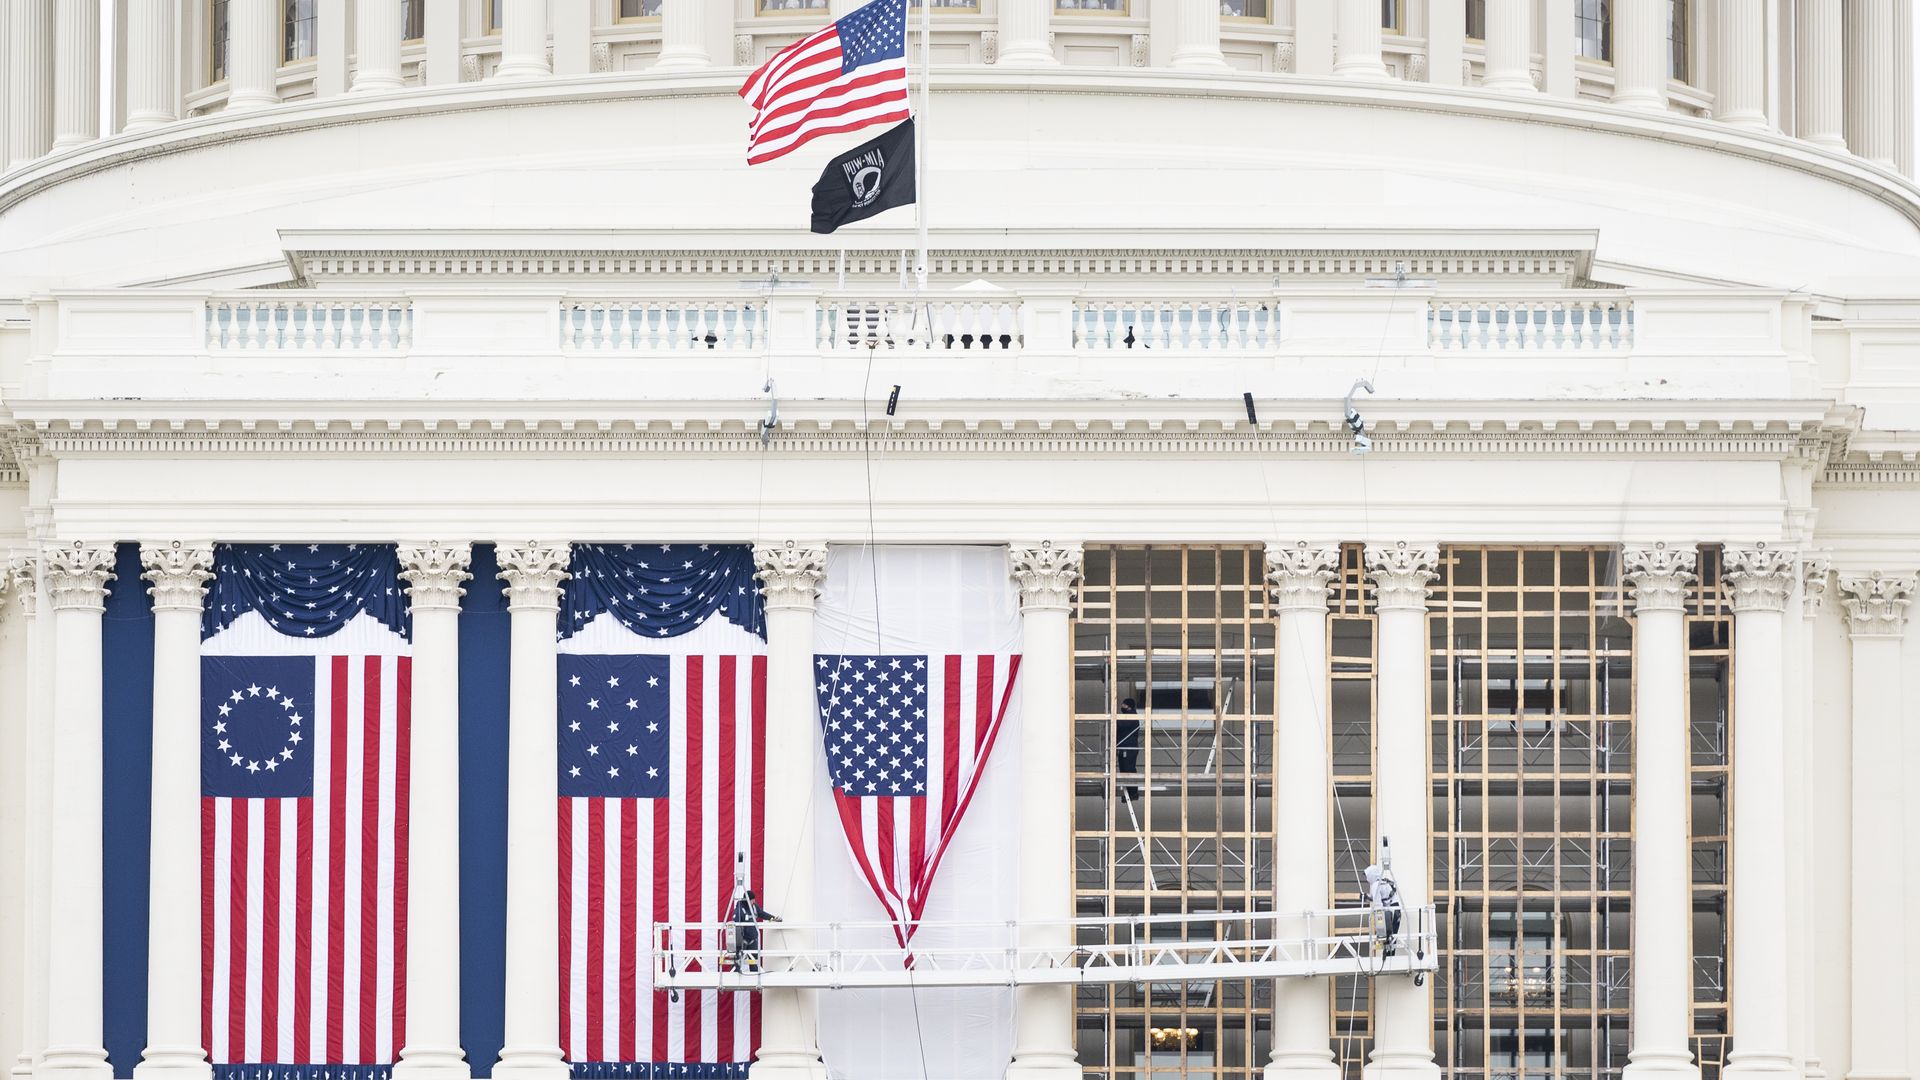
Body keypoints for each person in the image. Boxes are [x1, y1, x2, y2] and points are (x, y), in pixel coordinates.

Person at [728, 889, 779, 973]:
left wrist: (773, 918)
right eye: (752, 900)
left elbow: (762, 914)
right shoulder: (739, 910)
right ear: (747, 900)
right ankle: (735, 979)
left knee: (754, 962)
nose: (754, 901)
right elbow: (735, 925)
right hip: (742, 940)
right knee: (737, 961)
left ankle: (755, 980)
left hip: (753, 939)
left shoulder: (754, 907)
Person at [1364, 863, 1401, 958]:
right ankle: (1389, 954)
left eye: (1367, 875)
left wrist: (1378, 920)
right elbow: (1381, 897)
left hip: (1391, 911)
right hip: (1395, 910)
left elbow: (1378, 905)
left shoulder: (1376, 885)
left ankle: (1388, 956)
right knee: (1392, 934)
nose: (1366, 879)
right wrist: (1367, 897)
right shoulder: (1382, 882)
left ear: (1371, 875)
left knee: (1388, 934)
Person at [1116, 698, 1142, 775]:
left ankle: (1132, 787)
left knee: (1128, 769)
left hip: (1128, 748)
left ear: (1129, 706)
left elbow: (1119, 724)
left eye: (1124, 705)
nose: (1122, 706)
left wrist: (1113, 718)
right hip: (1124, 747)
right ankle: (1130, 786)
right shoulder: (1128, 716)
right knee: (1124, 770)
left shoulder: (1131, 716)